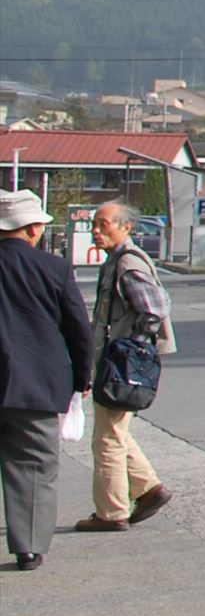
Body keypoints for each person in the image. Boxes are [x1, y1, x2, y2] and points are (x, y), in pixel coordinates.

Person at [1, 189, 92, 570]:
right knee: (35, 464)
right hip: (36, 382)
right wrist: (82, 377)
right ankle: (29, 548)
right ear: (34, 228)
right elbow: (78, 329)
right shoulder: (54, 268)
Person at [73, 201, 171, 534]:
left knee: (107, 439)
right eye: (95, 225)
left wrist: (130, 345)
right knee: (114, 431)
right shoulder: (118, 261)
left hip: (120, 364)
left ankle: (112, 512)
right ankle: (149, 489)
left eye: (104, 225)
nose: (97, 232)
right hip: (114, 361)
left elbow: (155, 307)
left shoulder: (127, 263)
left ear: (126, 227)